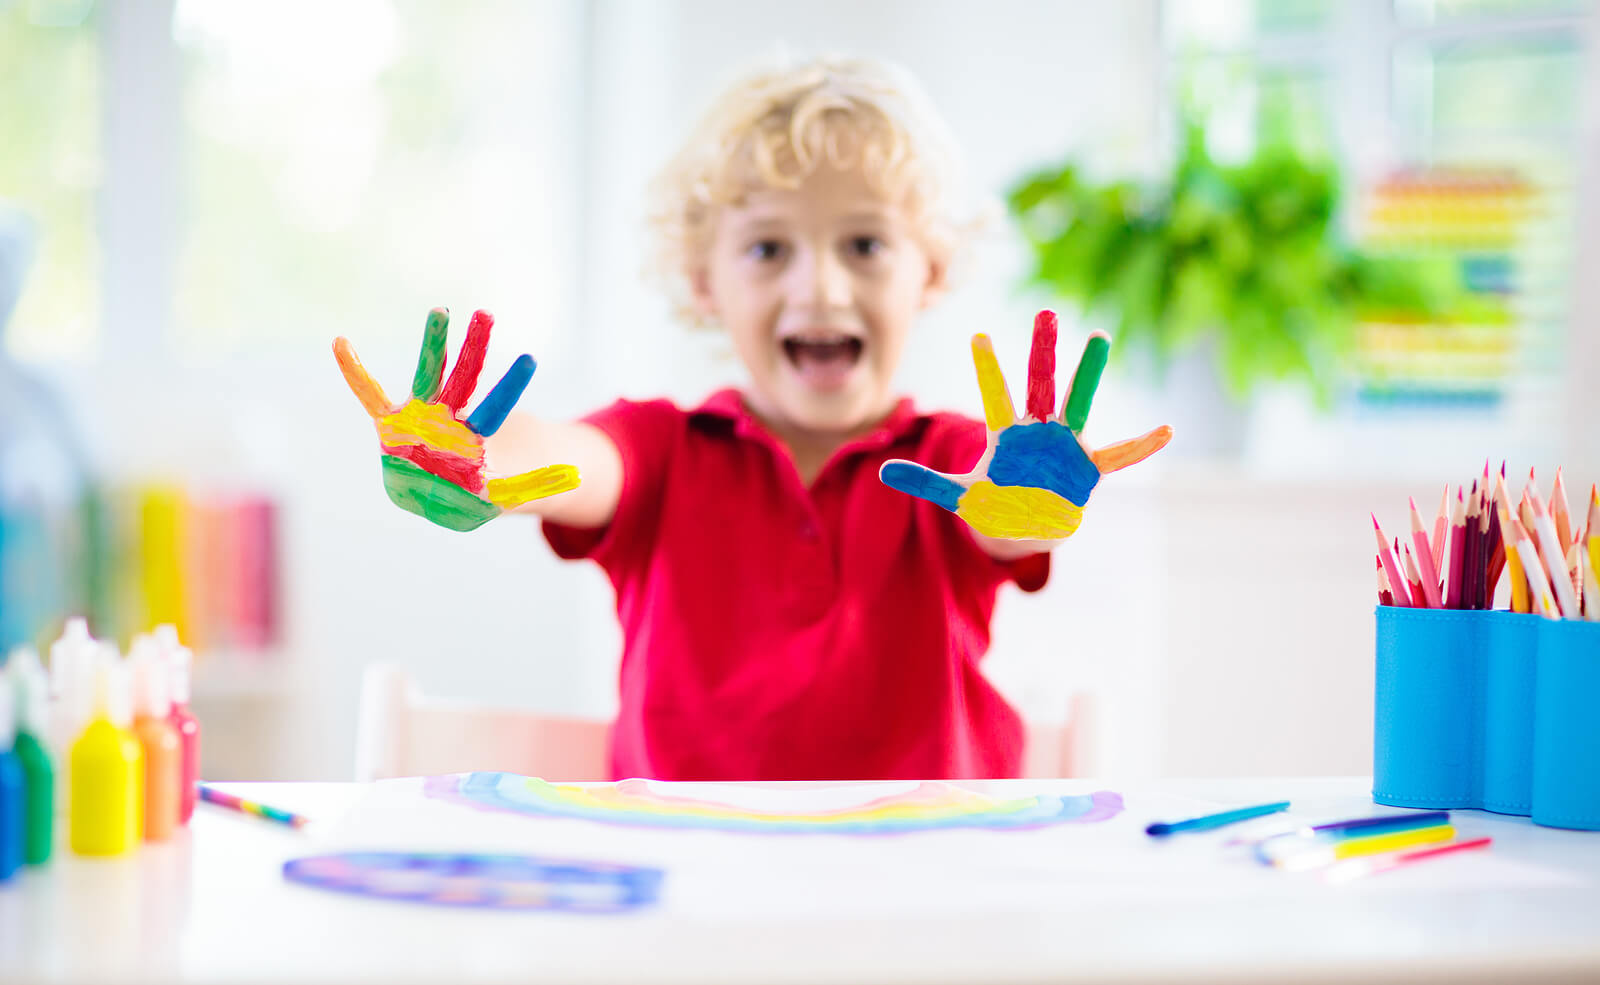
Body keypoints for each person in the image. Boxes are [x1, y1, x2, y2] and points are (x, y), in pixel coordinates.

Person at [333, 55, 1168, 781]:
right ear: (705, 281)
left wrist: (1027, 500)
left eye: (865, 245)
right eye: (769, 249)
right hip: (685, 882)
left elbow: (1000, 521)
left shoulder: (956, 458)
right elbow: (570, 462)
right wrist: (484, 454)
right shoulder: (662, 449)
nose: (821, 288)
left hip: (922, 878)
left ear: (932, 271)